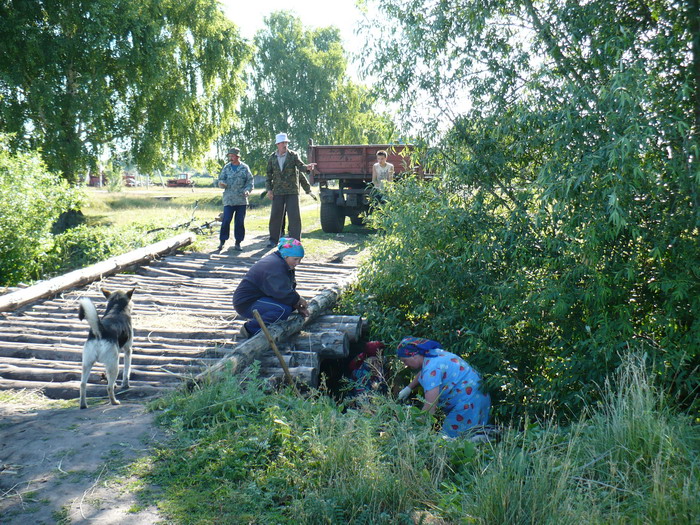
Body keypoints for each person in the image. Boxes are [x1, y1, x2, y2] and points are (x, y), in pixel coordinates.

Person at [396, 336, 490, 438]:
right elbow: (423, 372)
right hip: (480, 395)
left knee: (452, 442)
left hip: (466, 404)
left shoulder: (431, 369)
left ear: (414, 355)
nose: (405, 365)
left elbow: (430, 406)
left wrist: (417, 430)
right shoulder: (433, 354)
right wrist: (409, 388)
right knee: (477, 438)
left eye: (405, 361)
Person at [232, 237, 309, 338]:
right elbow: (282, 292)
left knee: (288, 306)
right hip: (246, 303)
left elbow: (287, 288)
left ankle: (264, 324)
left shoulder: (283, 263)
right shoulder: (275, 267)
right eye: (295, 259)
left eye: (300, 259)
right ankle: (250, 329)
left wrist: (297, 304)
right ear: (285, 256)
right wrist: (298, 300)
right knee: (282, 310)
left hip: (261, 297)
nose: (297, 263)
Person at [265, 133, 316, 247]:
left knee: (294, 217)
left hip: (292, 191)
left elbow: (301, 166)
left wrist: (307, 168)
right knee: (275, 216)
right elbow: (268, 175)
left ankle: (295, 241)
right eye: (282, 143)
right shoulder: (272, 157)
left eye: (286, 143)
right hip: (277, 191)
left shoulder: (293, 155)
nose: (285, 145)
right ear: (277, 144)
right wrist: (269, 190)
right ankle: (273, 240)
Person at [218, 147, 253, 252]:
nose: (231, 158)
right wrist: (221, 183)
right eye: (229, 156)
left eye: (232, 156)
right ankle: (222, 242)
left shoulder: (245, 168)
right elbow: (221, 179)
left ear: (238, 157)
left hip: (241, 200)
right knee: (226, 221)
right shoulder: (226, 168)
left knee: (239, 222)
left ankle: (238, 243)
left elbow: (250, 181)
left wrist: (247, 190)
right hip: (228, 200)